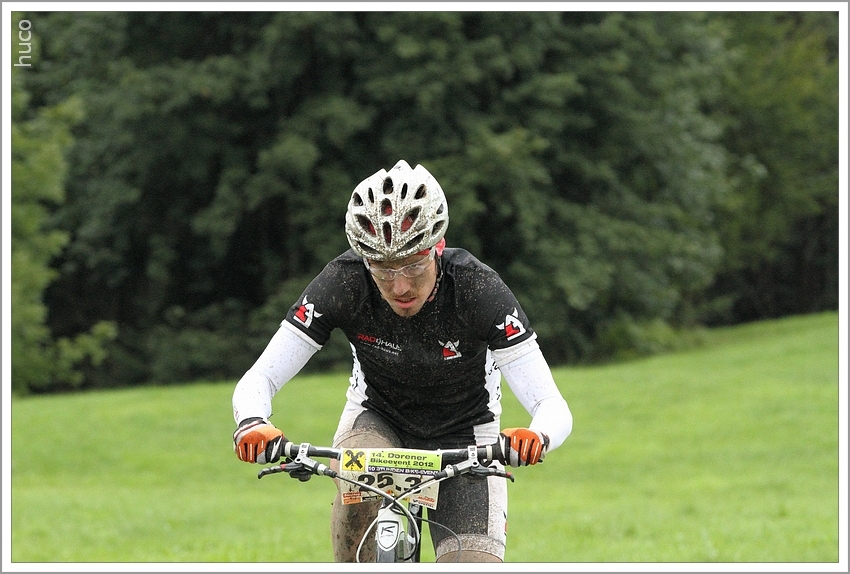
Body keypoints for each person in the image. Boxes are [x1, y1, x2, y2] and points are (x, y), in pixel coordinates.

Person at [231, 159, 573, 562]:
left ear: (438, 248)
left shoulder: (478, 290)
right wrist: (252, 422)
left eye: (413, 265)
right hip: (377, 420)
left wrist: (537, 436)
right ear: (364, 260)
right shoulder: (343, 282)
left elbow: (551, 404)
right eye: (382, 269)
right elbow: (261, 377)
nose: (400, 286)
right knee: (357, 504)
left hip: (466, 436)